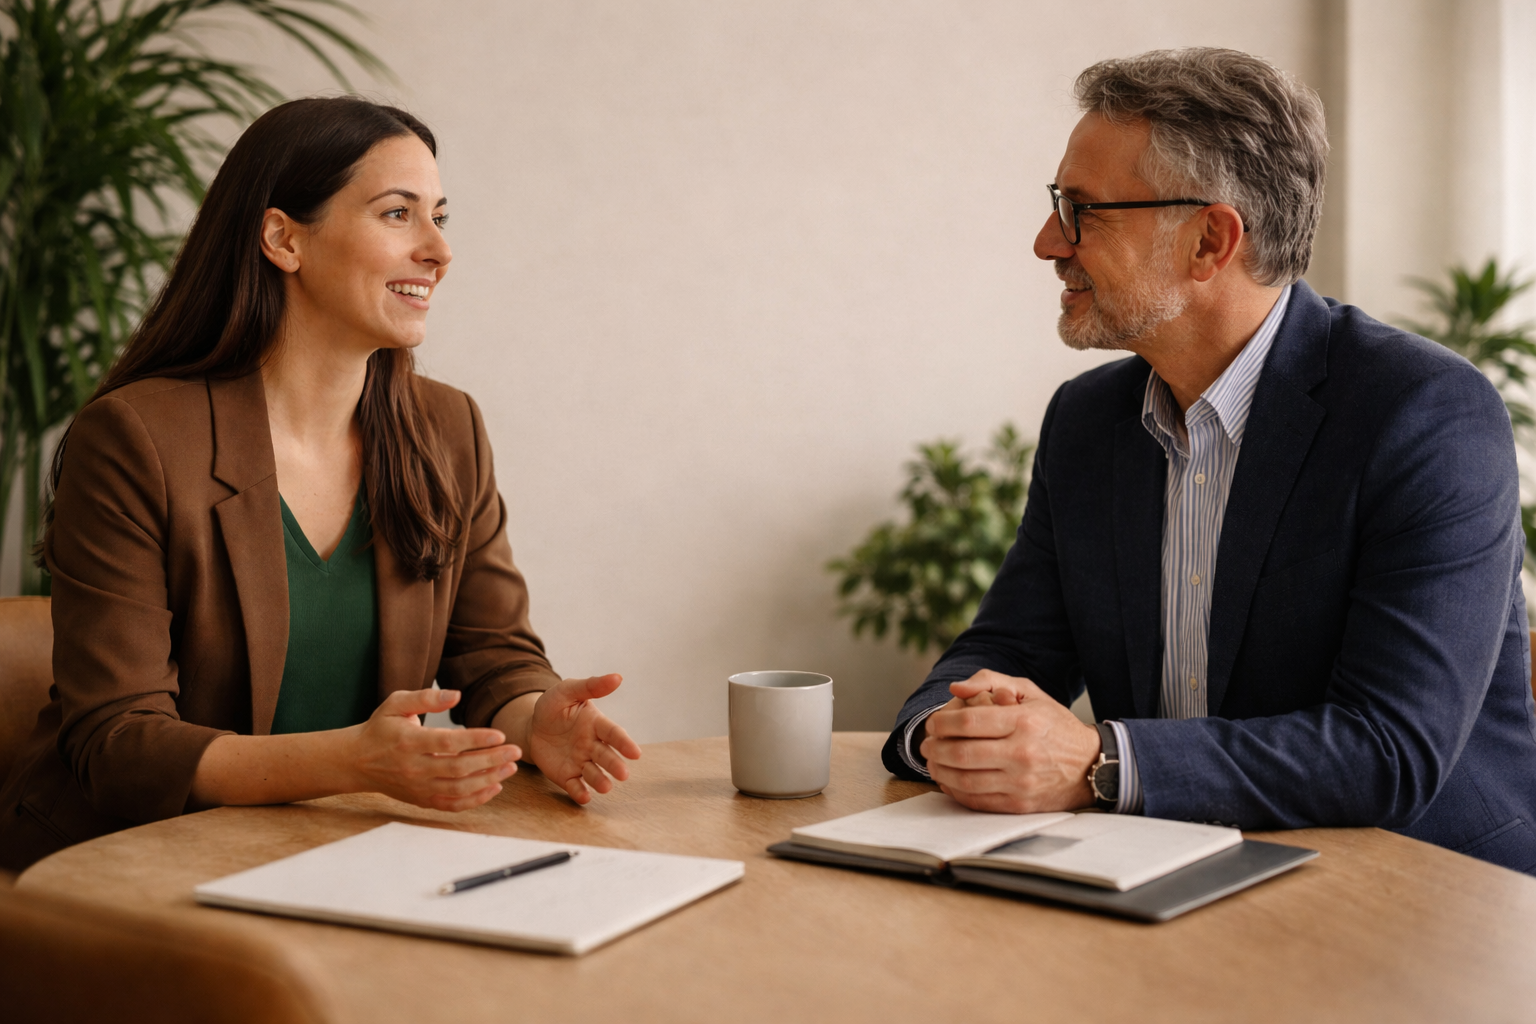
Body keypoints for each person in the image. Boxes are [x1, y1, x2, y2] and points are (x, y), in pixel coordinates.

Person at [882, 48, 1536, 874]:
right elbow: (1003, 652)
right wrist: (952, 731)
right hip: (1174, 879)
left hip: (1427, 899)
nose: (1048, 241)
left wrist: (1098, 763)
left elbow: (1388, 750)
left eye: (1083, 211)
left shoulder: (1425, 414)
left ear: (1210, 241)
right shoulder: (1087, 423)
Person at [0, 98, 641, 872]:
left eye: (440, 216)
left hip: (337, 858)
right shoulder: (135, 438)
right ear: (283, 237)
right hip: (126, 866)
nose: (439, 250)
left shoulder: (448, 429)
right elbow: (120, 745)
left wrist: (536, 717)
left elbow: (491, 654)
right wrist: (353, 763)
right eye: (398, 214)